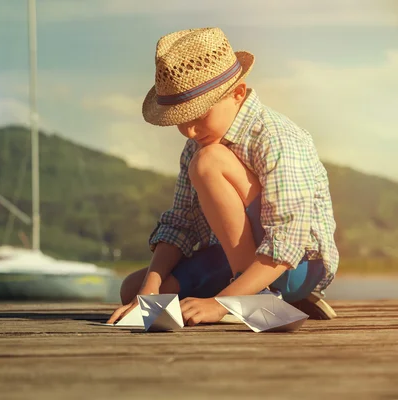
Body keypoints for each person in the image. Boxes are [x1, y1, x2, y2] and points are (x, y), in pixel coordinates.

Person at [107, 27, 339, 326]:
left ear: (238, 93)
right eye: (181, 120)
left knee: (210, 161)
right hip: (229, 259)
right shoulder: (196, 145)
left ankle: (250, 299)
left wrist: (221, 304)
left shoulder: (277, 137)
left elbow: (289, 240)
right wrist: (149, 289)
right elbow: (182, 222)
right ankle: (264, 300)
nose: (190, 131)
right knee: (134, 290)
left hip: (296, 265)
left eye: (198, 116)